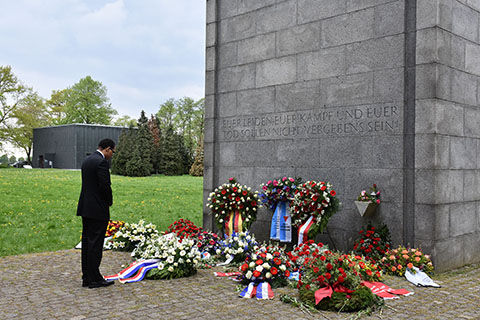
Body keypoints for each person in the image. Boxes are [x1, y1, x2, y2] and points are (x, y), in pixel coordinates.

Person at [77, 138, 115, 288]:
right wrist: (109, 201)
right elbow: (104, 185)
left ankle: (86, 276)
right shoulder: (101, 163)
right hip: (98, 209)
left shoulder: (87, 160)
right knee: (95, 244)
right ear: (107, 149)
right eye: (112, 151)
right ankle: (94, 278)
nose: (112, 155)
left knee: (87, 243)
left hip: (86, 207)